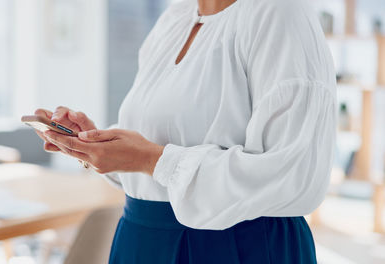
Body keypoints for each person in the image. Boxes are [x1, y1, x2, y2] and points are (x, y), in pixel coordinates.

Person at [34, 0, 336, 262]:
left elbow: (292, 173)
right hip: (140, 241)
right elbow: (157, 148)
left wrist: (151, 159)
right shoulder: (175, 18)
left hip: (236, 247)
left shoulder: (280, 14)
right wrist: (96, 143)